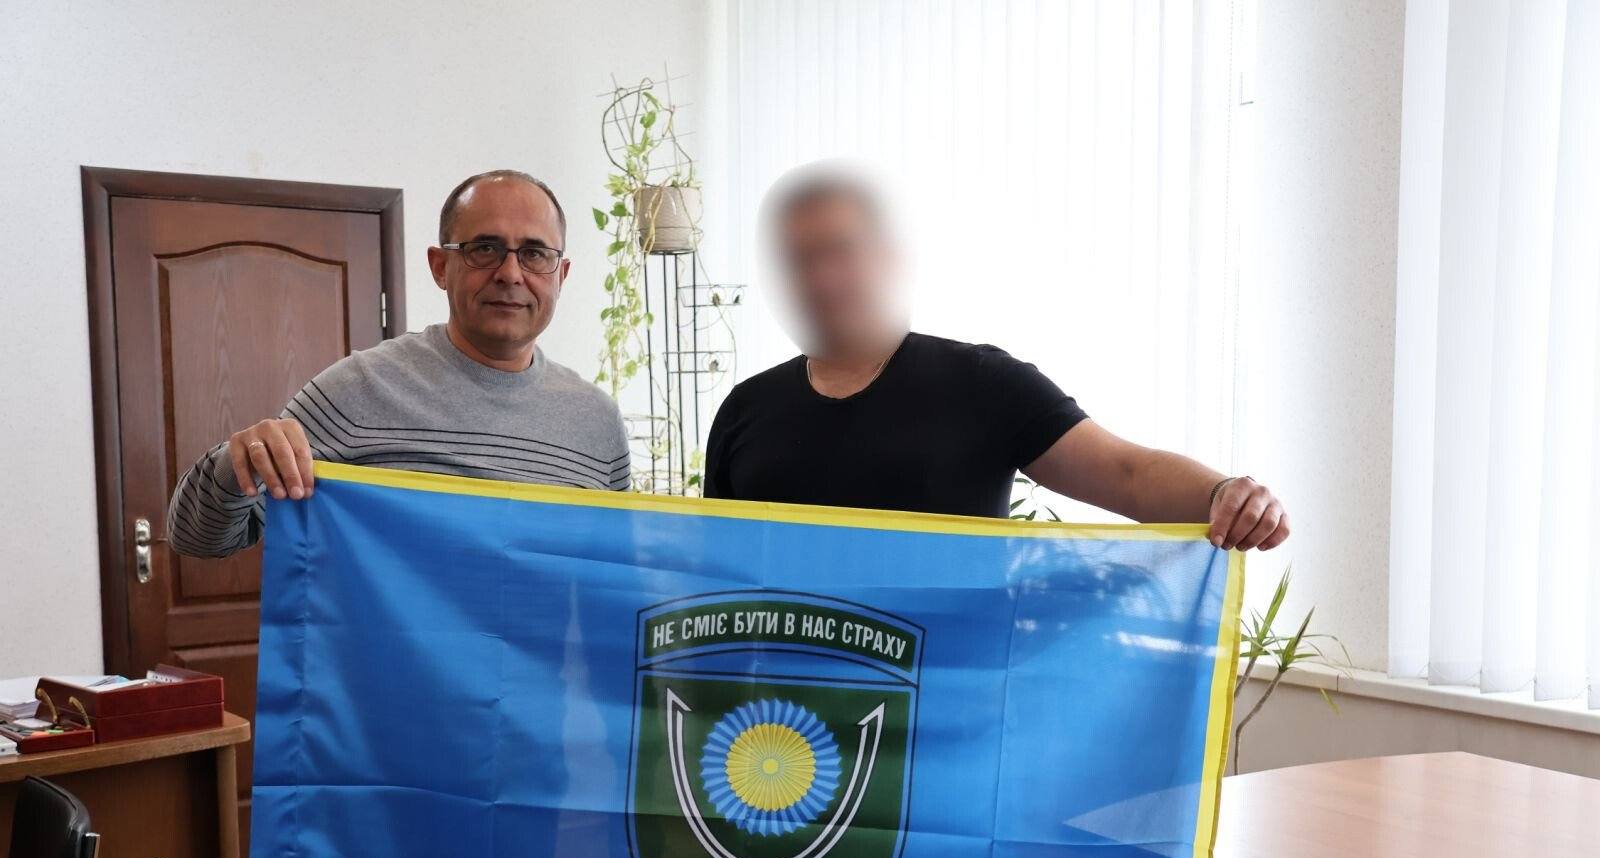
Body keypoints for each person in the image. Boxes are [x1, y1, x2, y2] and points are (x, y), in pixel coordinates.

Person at [703, 164, 1288, 551]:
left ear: (888, 256)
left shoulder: (981, 385)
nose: (821, 278)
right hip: (780, 705)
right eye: (800, 260)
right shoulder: (745, 409)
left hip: (952, 699)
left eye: (839, 251)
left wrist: (1224, 496)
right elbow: (714, 571)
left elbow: (1125, 475)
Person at [167, 170, 630, 558]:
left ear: (561, 274)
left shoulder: (597, 423)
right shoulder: (356, 391)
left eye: (534, 253)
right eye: (484, 249)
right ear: (440, 266)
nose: (510, 273)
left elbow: (616, 576)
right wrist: (236, 462)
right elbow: (195, 540)